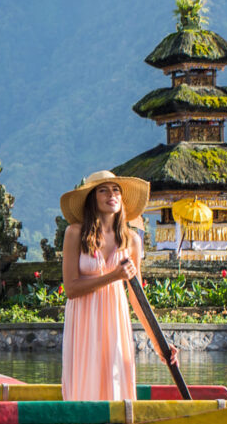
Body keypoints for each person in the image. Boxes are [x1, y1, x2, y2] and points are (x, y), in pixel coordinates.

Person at [59, 170, 178, 400]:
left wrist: (159, 344)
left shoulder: (131, 239)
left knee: (115, 381)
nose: (111, 194)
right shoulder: (74, 234)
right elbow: (71, 289)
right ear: (92, 198)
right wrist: (113, 276)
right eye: (103, 190)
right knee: (85, 384)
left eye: (116, 190)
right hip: (83, 319)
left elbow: (137, 297)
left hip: (115, 318)